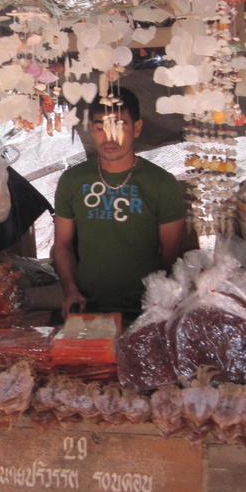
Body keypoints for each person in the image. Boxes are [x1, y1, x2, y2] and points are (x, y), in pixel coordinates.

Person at [54, 87, 186, 322]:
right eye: (100, 127)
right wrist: (71, 291)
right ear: (92, 130)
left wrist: (157, 301)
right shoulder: (72, 180)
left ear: (136, 128)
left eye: (119, 126)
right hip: (87, 308)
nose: (109, 136)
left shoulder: (162, 184)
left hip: (146, 310)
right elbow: (62, 245)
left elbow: (170, 256)